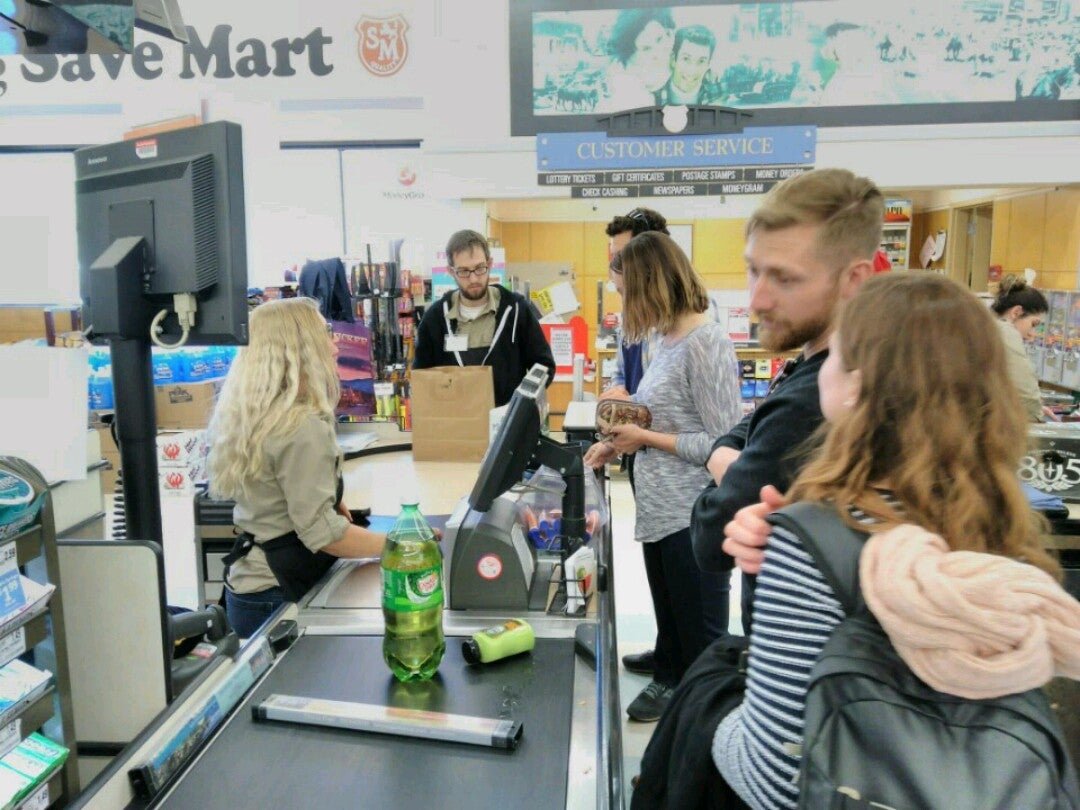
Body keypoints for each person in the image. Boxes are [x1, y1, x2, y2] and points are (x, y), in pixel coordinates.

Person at [711, 272, 1077, 810]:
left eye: (833, 353)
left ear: (855, 385)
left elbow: (776, 781)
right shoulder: (1005, 532)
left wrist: (714, 714)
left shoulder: (812, 547)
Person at [690, 168, 882, 635]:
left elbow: (711, 535)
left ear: (854, 278)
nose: (757, 299)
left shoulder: (818, 400)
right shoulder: (816, 365)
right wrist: (728, 452)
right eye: (754, 269)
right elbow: (756, 420)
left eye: (785, 278)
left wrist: (721, 457)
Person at [585, 232, 741, 722]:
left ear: (650, 286)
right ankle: (668, 663)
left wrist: (645, 439)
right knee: (670, 606)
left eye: (626, 293)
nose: (624, 306)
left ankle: (692, 698)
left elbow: (724, 444)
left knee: (699, 625)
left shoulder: (706, 342)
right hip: (660, 509)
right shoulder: (665, 340)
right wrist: (616, 441)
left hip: (692, 510)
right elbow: (661, 414)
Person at [208, 297, 386, 637]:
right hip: (277, 596)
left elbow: (276, 491)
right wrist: (402, 545)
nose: (334, 346)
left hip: (247, 589)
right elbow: (325, 536)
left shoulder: (256, 413)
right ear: (299, 350)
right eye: (325, 335)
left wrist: (326, 500)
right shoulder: (301, 425)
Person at [412, 230, 555, 407]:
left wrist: (521, 406)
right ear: (451, 271)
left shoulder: (517, 310)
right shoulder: (435, 319)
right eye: (464, 271)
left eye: (480, 268)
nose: (473, 279)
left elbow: (544, 365)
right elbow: (422, 377)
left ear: (490, 263)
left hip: (507, 421)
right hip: (455, 421)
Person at [991, 273, 1050, 422]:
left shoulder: (982, 324)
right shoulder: (1004, 331)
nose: (1032, 334)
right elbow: (1026, 394)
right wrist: (1037, 418)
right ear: (1016, 312)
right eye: (1033, 324)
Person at [604, 9, 676, 111]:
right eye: (646, 48)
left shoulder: (678, 49)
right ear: (631, 56)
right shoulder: (627, 87)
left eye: (659, 39)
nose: (658, 52)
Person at [655, 25, 722, 106]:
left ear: (708, 65)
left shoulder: (716, 96)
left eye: (701, 61)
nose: (692, 70)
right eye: (686, 59)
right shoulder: (653, 96)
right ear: (673, 60)